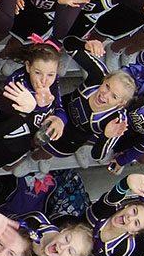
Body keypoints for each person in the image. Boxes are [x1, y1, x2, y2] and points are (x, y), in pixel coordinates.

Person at [31, 37, 136, 169]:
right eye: (107, 86)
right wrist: (85, 44)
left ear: (121, 103)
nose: (105, 94)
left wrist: (105, 136)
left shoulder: (117, 121)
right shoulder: (99, 75)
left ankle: (36, 158)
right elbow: (69, 44)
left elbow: (97, 156)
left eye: (114, 96)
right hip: (58, 110)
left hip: (71, 137)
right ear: (105, 79)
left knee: (45, 152)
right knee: (33, 135)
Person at [0, 40, 65, 177]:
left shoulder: (52, 82)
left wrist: (60, 119)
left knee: (13, 157)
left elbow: (59, 106)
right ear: (28, 66)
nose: (44, 80)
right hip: (8, 132)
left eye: (50, 74)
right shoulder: (17, 81)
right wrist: (38, 106)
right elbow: (9, 113)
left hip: (29, 135)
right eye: (38, 73)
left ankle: (10, 162)